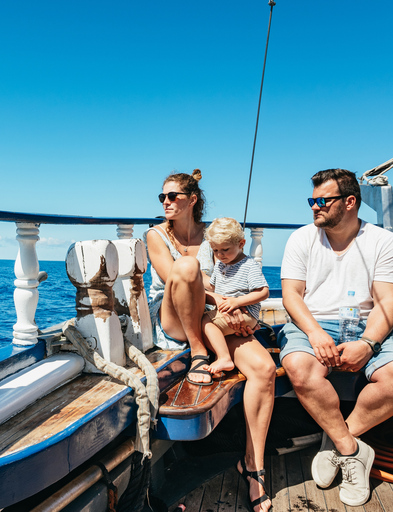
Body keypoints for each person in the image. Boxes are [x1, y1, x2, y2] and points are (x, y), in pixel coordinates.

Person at [279, 168, 393, 507]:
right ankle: (354, 451)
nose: (314, 207)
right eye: (311, 200)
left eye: (322, 200)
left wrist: (368, 344)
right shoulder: (301, 239)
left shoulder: (382, 242)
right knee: (300, 368)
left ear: (349, 202)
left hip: (369, 323)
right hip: (312, 323)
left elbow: (388, 303)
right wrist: (314, 334)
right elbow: (291, 296)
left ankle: (336, 442)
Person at [146, 169, 275, 512]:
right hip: (177, 318)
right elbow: (175, 281)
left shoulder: (213, 236)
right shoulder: (156, 235)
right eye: (163, 197)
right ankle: (200, 353)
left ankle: (253, 466)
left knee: (264, 370)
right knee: (186, 269)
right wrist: (222, 308)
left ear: (193, 200)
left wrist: (237, 317)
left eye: (173, 196)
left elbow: (237, 283)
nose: (166, 202)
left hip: (215, 316)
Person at [203, 217, 270, 376]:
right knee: (202, 321)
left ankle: (224, 357)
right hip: (226, 311)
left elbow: (263, 292)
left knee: (207, 323)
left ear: (241, 244)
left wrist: (237, 301)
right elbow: (213, 286)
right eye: (215, 250)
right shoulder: (221, 264)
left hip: (246, 314)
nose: (220, 254)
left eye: (225, 249)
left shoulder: (249, 265)